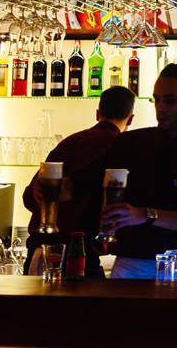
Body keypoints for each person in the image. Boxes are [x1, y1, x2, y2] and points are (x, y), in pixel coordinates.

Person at [101, 63, 177, 279]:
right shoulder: (129, 143)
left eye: (169, 101)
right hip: (131, 261)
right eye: (156, 100)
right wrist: (53, 184)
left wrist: (144, 214)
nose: (160, 108)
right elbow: (85, 181)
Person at [22, 86, 135, 278]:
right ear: (131, 119)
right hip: (82, 254)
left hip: (41, 251)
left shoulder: (69, 143)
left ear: (97, 114)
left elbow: (28, 198)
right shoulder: (121, 149)